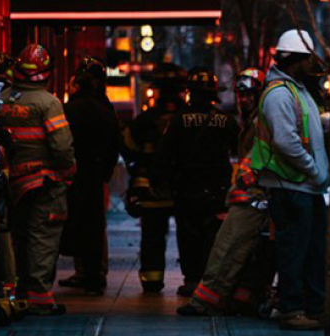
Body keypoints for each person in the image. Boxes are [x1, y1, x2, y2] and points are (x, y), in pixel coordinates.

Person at [178, 68, 270, 316]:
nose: (243, 100)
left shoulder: (261, 120)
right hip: (251, 199)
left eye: (248, 94)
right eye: (240, 95)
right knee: (244, 254)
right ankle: (235, 300)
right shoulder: (247, 121)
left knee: (225, 248)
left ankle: (203, 302)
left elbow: (254, 162)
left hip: (251, 199)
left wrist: (240, 185)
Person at [254, 29, 329, 330]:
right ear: (296, 60)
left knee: (313, 250)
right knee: (294, 251)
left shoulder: (298, 91)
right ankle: (292, 308)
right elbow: (286, 142)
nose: (313, 65)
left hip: (306, 186)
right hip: (292, 186)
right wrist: (313, 169)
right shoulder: (279, 95)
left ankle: (314, 308)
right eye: (308, 59)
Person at [0, 44, 76, 315]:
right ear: (46, 73)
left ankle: (17, 291)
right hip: (44, 182)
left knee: (15, 236)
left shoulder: (4, 99)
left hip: (10, 182)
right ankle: (40, 299)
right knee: (42, 237)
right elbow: (62, 146)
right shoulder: (48, 103)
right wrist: (69, 170)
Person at [154, 68, 239, 297]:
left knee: (189, 237)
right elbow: (241, 149)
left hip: (187, 189)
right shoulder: (226, 120)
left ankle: (191, 280)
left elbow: (164, 154)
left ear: (189, 92)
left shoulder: (179, 120)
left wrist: (164, 182)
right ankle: (208, 282)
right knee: (213, 238)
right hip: (218, 190)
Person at [59, 58, 121, 296]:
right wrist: (104, 172)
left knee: (71, 222)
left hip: (72, 173)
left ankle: (82, 272)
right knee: (94, 225)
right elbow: (114, 144)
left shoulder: (68, 109)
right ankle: (94, 276)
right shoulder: (105, 110)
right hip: (95, 173)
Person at [122, 62, 186, 293]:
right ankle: (192, 280)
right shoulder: (187, 119)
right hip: (183, 189)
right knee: (189, 237)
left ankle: (152, 280)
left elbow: (127, 145)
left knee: (152, 238)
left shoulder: (145, 121)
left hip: (150, 188)